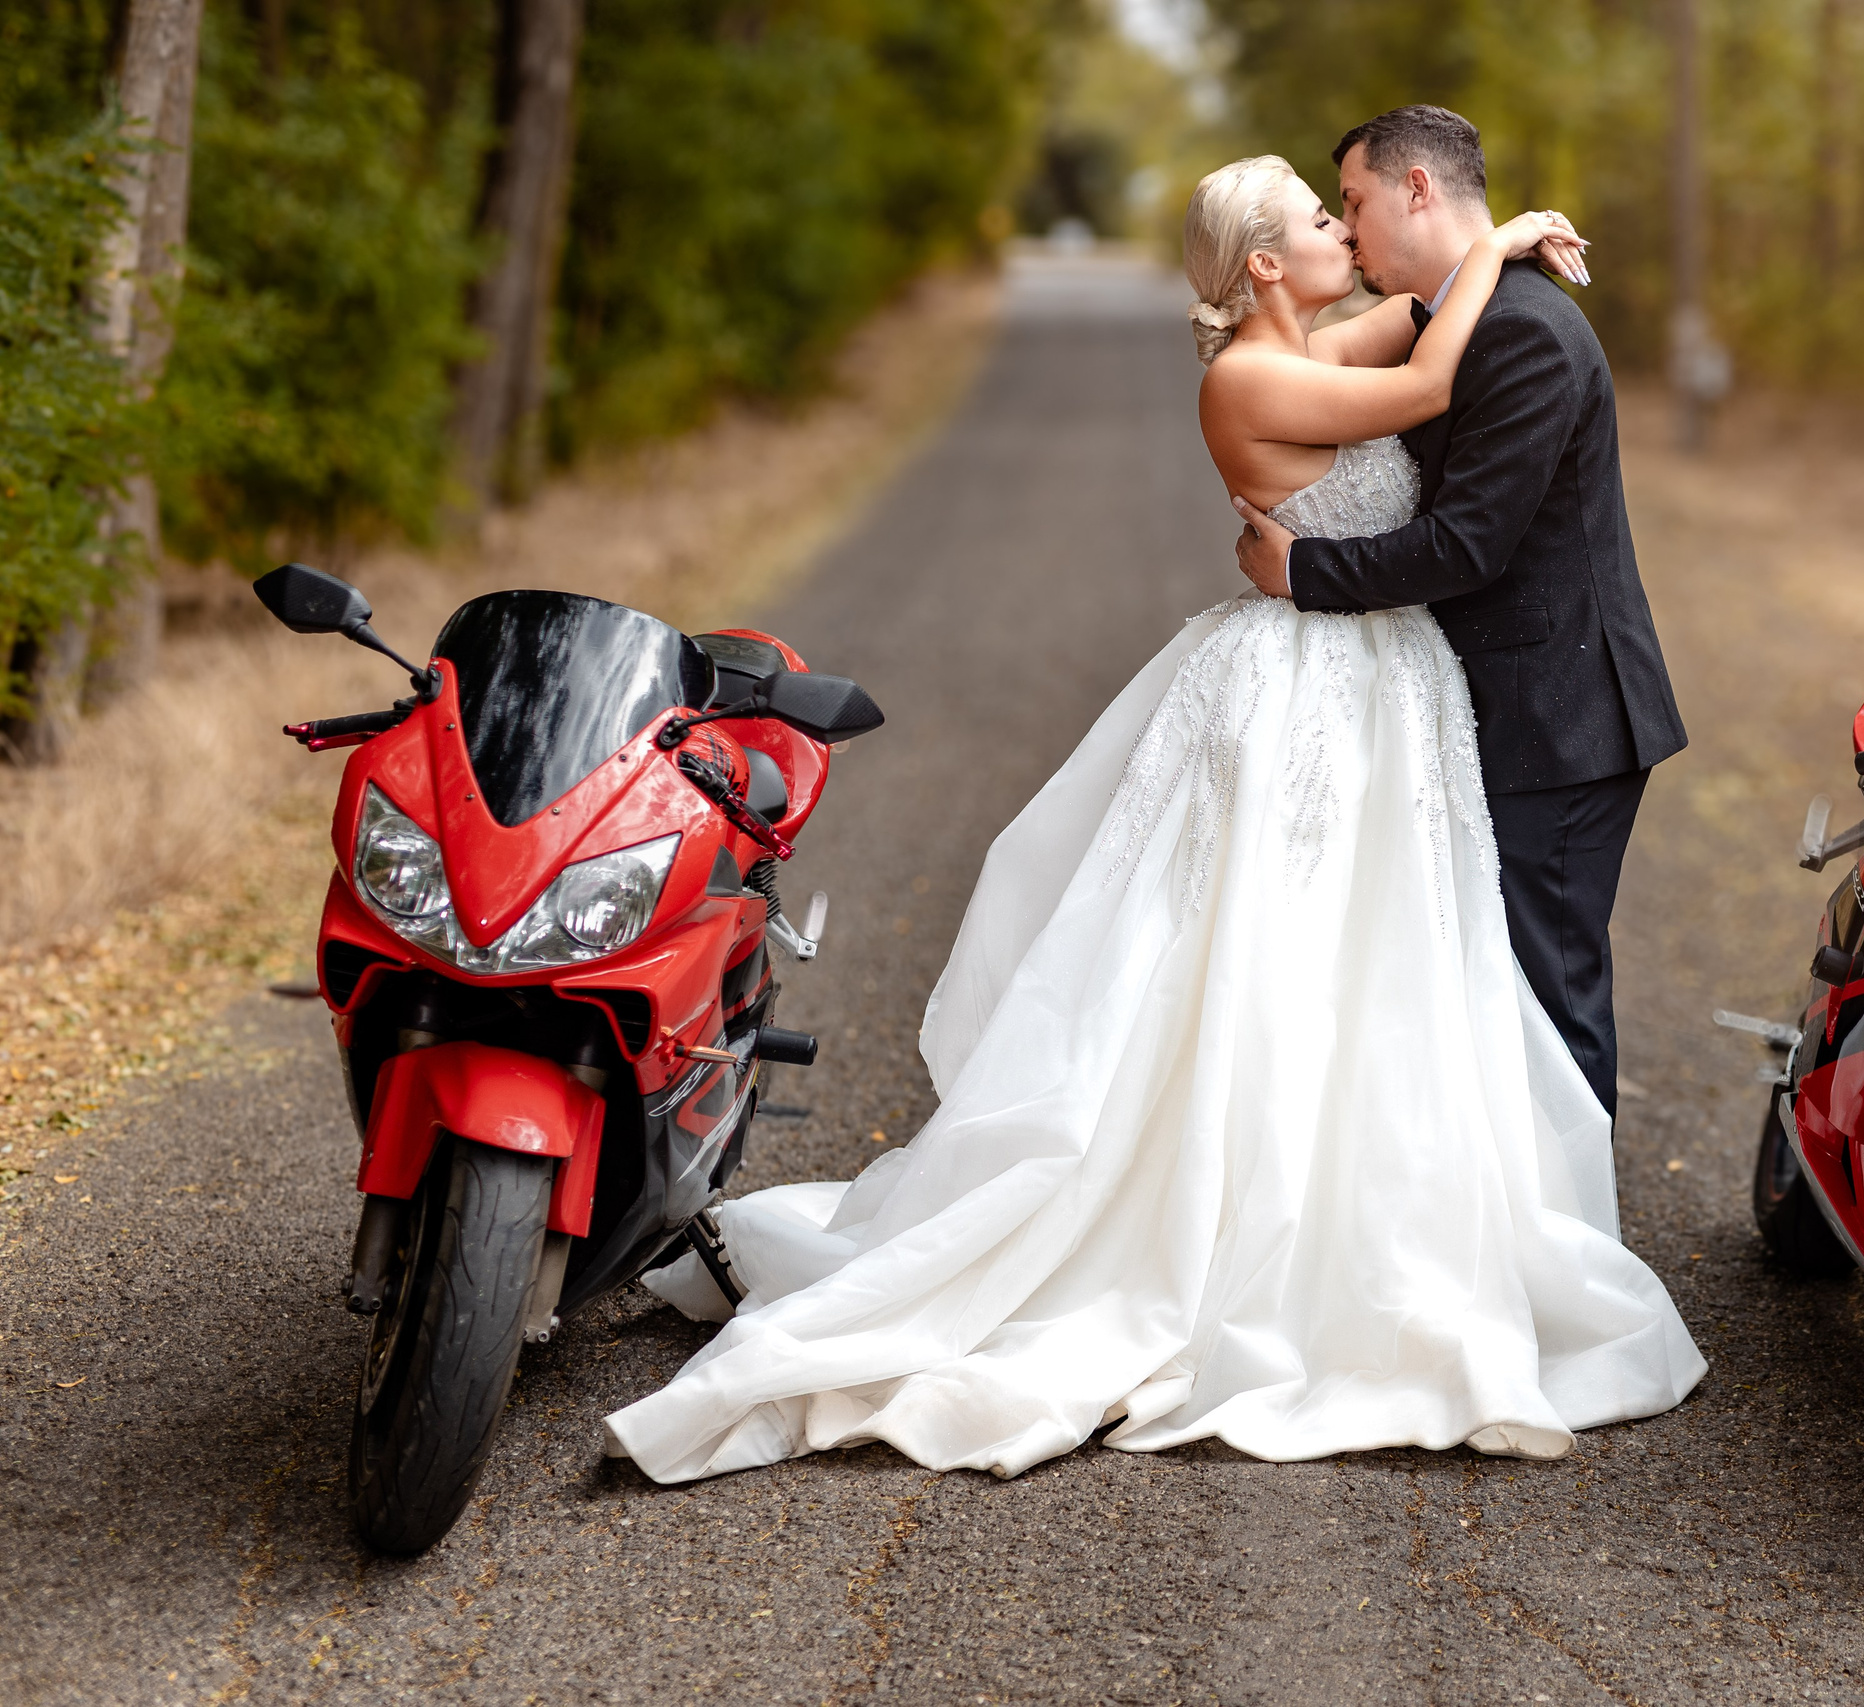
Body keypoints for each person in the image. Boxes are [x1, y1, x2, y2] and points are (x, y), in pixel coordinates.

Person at [603, 140, 1703, 1485]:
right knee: (1256, 957)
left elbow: (1409, 333)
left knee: (1393, 962)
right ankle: (1277, 1232)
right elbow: (1422, 376)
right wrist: (1494, 246)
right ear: (1263, 262)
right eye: (1320, 214)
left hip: (1392, 685)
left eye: (1350, 202)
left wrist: (1491, 245)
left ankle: (1461, 1222)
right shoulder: (1250, 372)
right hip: (1311, 673)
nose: (1341, 228)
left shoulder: (1330, 336)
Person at [1232, 106, 1690, 1124]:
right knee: (1493, 988)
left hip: (1561, 717)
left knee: (1547, 994)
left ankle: (1577, 1254)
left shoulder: (1520, 332)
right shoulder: (1461, 313)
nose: (1347, 230)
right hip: (1502, 705)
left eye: (1353, 201)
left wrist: (1300, 570)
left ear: (1418, 189)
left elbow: (1466, 545)